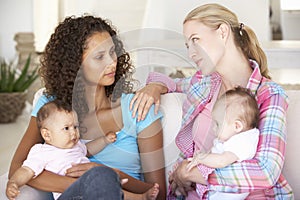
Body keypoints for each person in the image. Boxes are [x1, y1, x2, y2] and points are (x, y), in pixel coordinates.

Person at [130, 3, 293, 199]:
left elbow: (266, 172)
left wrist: (194, 173)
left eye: (196, 40)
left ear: (223, 32)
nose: (191, 53)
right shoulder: (206, 83)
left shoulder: (269, 94)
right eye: (187, 45)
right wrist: (154, 87)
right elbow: (171, 83)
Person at [8, 15, 166, 200]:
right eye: (99, 56)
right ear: (75, 64)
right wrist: (90, 183)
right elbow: (17, 170)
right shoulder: (51, 107)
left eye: (112, 52)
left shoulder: (138, 108)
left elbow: (160, 194)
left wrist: (109, 174)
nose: (112, 62)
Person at [185, 87, 260, 199]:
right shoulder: (230, 137)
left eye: (218, 124)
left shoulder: (243, 141)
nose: (214, 128)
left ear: (237, 126)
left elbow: (221, 161)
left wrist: (201, 158)